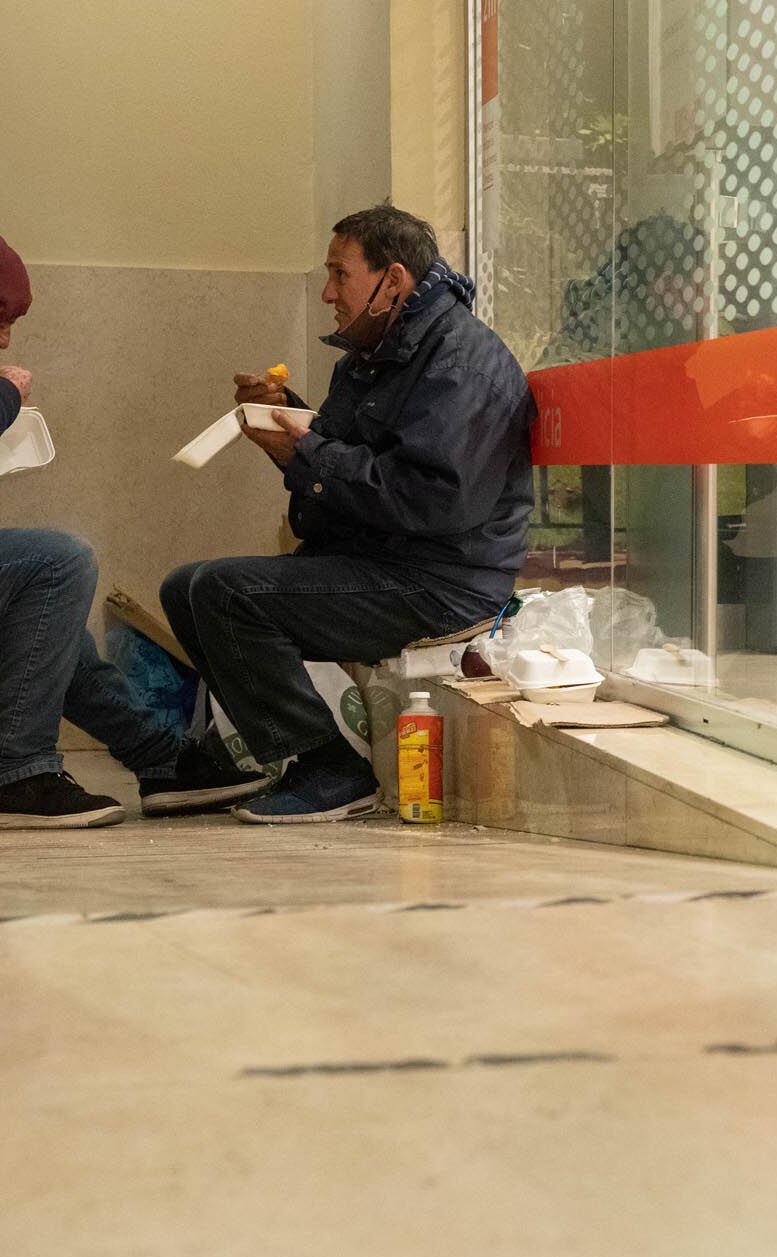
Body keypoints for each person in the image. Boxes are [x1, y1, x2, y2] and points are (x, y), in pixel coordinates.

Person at [0, 221, 271, 829]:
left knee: (57, 634)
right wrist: (0, 395)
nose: (2, 340)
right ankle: (20, 774)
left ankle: (161, 761)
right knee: (60, 559)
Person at [162, 205, 534, 823]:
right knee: (185, 587)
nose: (329, 293)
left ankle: (331, 768)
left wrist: (306, 454)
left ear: (392, 281)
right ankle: (274, 758)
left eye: (339, 274)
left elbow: (432, 499)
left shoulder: (461, 364)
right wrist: (287, 416)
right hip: (385, 557)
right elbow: (351, 455)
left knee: (227, 592)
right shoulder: (373, 355)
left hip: (442, 580)